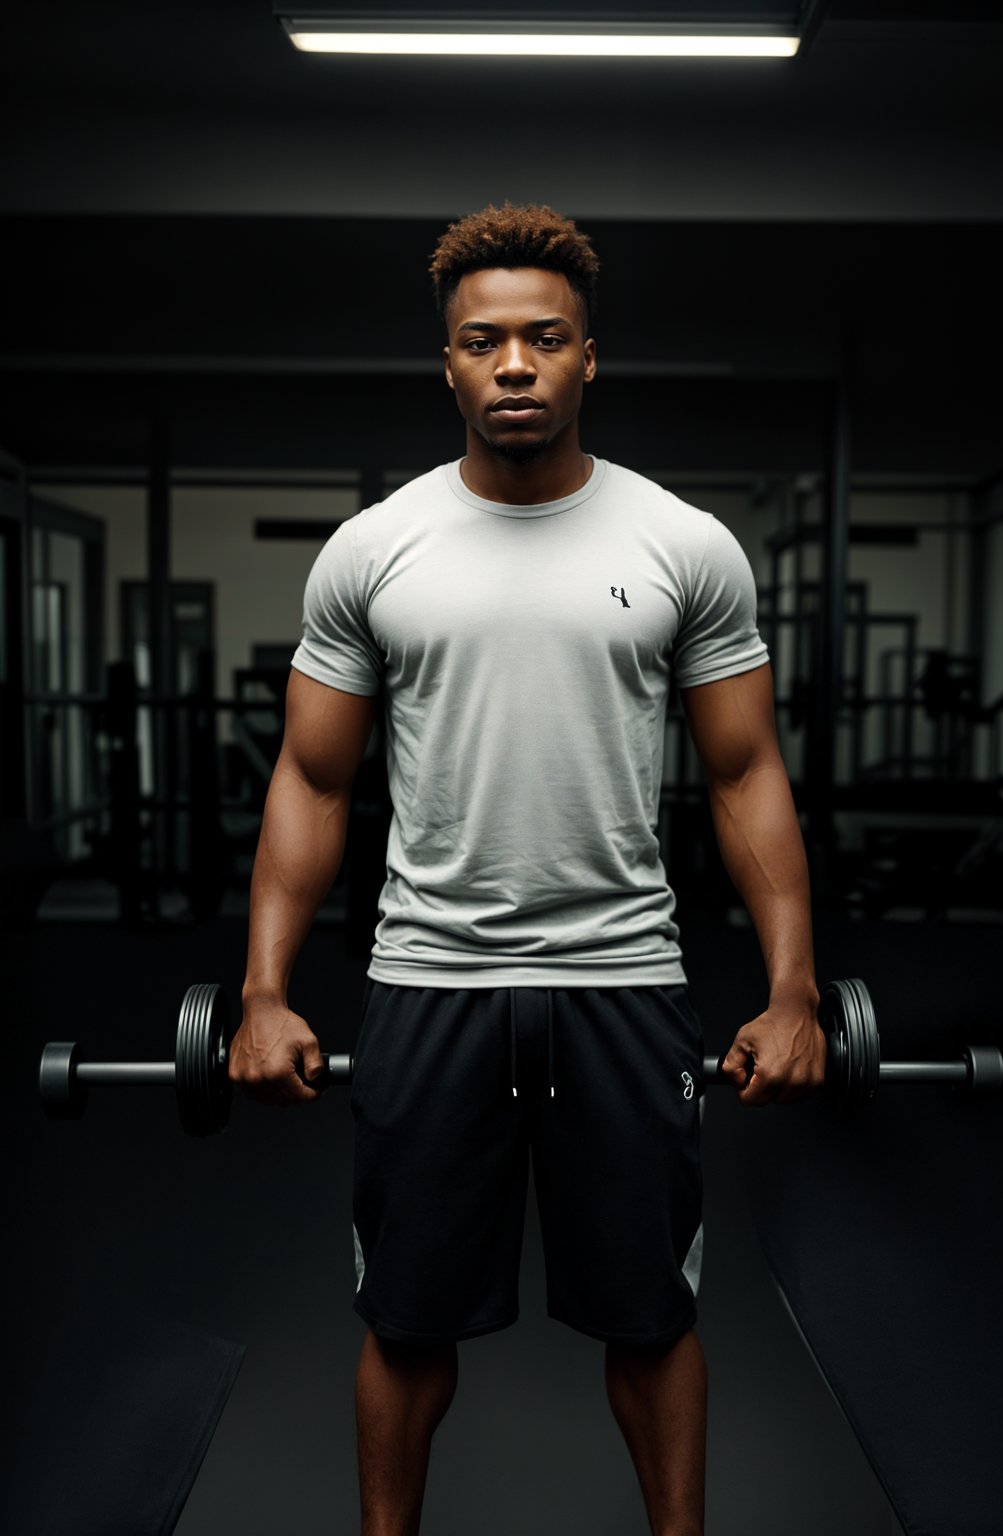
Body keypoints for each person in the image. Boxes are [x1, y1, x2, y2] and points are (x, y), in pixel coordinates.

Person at [230, 202, 826, 1536]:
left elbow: (745, 775)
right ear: (447, 363)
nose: (513, 364)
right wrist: (263, 989)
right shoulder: (375, 550)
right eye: (483, 341)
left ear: (587, 359)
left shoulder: (683, 545)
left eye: (543, 339)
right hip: (432, 982)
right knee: (405, 1319)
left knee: (654, 1316)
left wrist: (795, 990)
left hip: (625, 984)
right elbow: (313, 780)